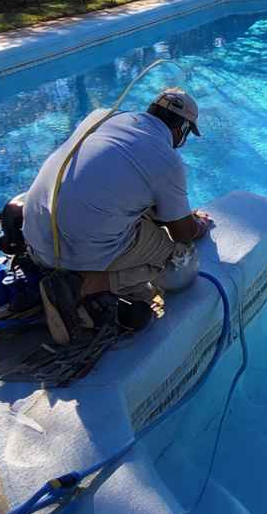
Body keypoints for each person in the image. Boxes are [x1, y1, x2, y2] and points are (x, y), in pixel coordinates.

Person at [22, 87, 212, 344]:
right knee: (178, 264)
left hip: (35, 235)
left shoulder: (101, 116)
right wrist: (197, 224)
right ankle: (82, 286)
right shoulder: (166, 159)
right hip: (74, 253)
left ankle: (51, 278)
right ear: (181, 130)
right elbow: (183, 234)